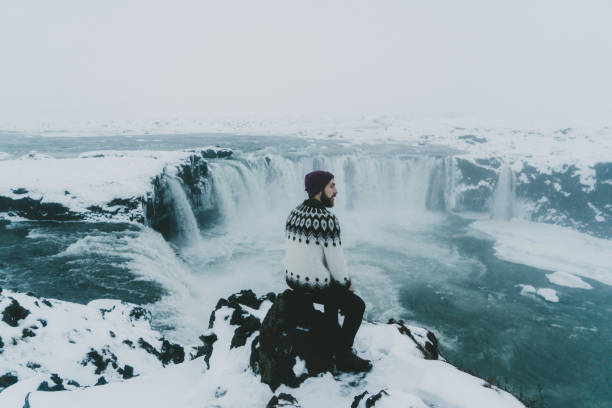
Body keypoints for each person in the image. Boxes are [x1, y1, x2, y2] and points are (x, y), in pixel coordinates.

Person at [283, 170, 372, 372]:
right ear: (318, 189)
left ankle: (332, 333)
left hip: (292, 280)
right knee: (356, 305)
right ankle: (343, 356)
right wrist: (348, 284)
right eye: (331, 186)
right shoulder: (326, 219)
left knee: (332, 286)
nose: (336, 191)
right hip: (312, 286)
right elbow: (337, 263)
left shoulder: (293, 213)